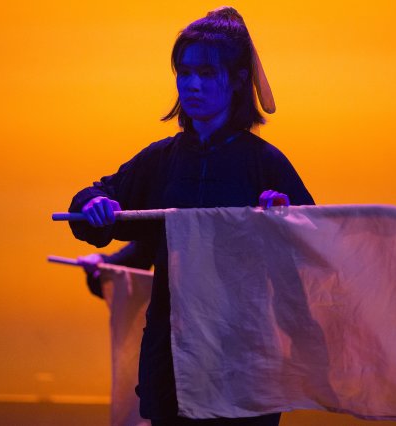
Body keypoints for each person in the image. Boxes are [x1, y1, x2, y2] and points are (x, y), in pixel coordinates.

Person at [68, 7, 314, 425]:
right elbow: (100, 203)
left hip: (242, 357)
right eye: (184, 73)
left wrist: (284, 217)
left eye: (206, 73)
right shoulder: (162, 160)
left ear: (237, 79)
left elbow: (313, 248)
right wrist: (93, 206)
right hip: (172, 354)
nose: (192, 84)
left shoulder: (264, 163)